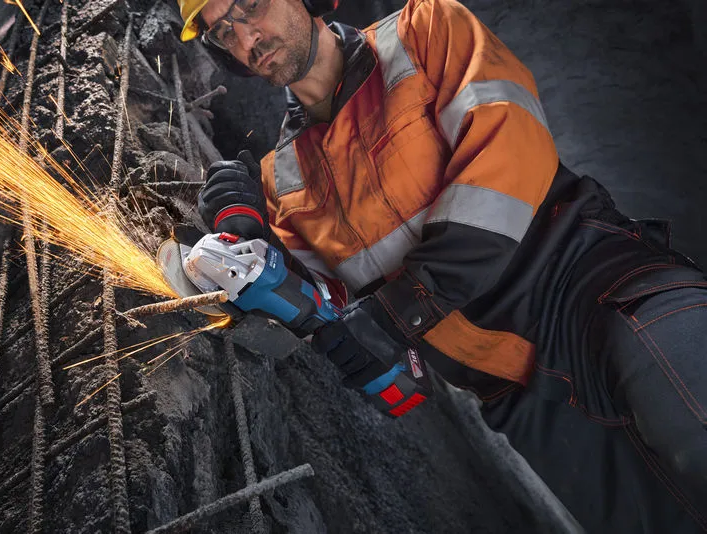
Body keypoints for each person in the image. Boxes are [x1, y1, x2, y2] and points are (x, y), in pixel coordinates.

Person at [176, 0, 707, 530]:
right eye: (225, 33)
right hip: (521, 397)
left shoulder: (425, 31)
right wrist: (251, 236)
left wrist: (399, 312)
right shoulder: (282, 179)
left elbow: (505, 156)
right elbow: (330, 309)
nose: (248, 39)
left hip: (601, 292)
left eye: (251, 6)